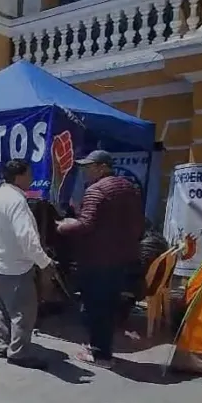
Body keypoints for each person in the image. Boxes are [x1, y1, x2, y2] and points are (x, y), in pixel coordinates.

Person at [58, 150, 144, 369]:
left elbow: (86, 224)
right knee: (108, 304)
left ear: (103, 167)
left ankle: (100, 354)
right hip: (120, 257)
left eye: (89, 167)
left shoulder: (96, 191)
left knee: (95, 306)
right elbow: (137, 225)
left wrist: (63, 225)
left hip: (96, 259)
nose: (86, 171)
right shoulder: (129, 188)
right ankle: (101, 348)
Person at [0, 159, 54, 371]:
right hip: (15, 266)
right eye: (29, 174)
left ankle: (3, 344)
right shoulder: (16, 201)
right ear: (19, 177)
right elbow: (26, 237)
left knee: (4, 308)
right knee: (24, 312)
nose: (32, 178)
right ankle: (19, 353)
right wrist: (44, 262)